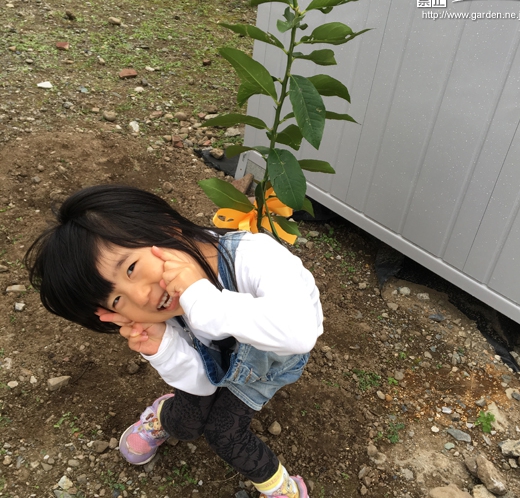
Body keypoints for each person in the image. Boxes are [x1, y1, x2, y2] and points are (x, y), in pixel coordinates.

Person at [25, 184, 323, 498]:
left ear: (164, 227)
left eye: (131, 268)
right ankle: (163, 415)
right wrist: (164, 347)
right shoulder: (163, 308)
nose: (141, 296)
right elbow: (204, 382)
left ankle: (282, 489)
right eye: (116, 300)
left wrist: (203, 300)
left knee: (225, 434)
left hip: (267, 365)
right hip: (214, 361)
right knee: (187, 422)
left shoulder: (253, 257)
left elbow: (299, 332)